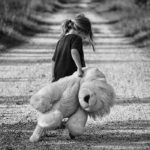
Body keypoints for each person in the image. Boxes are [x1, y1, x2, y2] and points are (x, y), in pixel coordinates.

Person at [51, 14, 95, 82]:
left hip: (58, 76)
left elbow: (54, 60)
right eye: (84, 36)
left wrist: (53, 76)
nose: (83, 39)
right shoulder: (76, 38)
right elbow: (74, 52)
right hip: (71, 75)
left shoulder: (60, 40)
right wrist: (79, 68)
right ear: (81, 30)